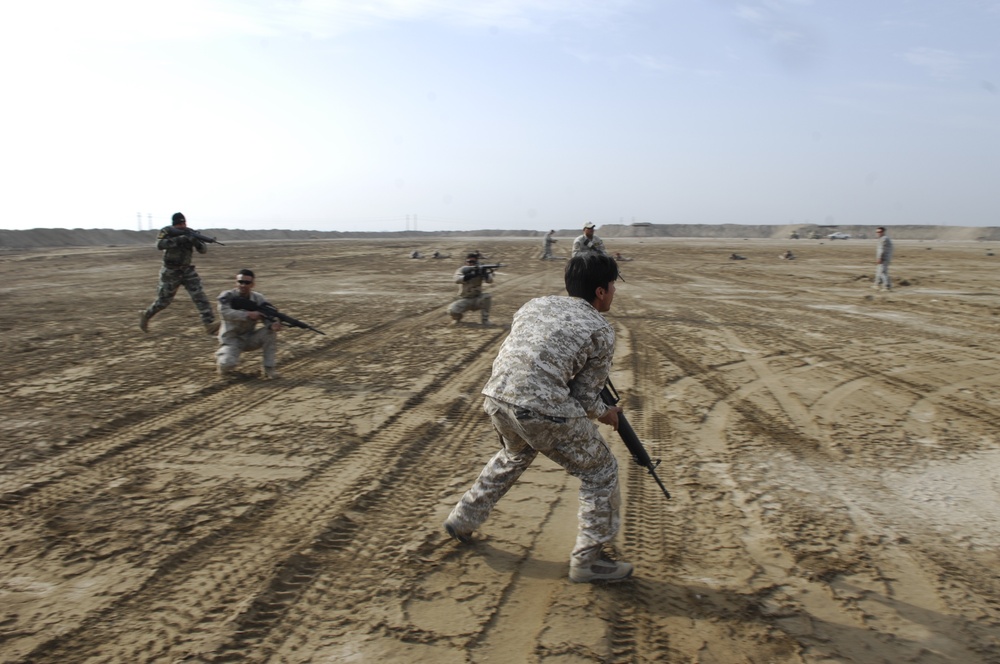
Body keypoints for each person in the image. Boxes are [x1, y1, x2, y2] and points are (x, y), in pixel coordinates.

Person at [443, 253, 632, 583]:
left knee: (514, 454)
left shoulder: (534, 304)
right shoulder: (601, 329)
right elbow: (587, 399)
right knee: (602, 470)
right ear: (601, 291)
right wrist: (607, 413)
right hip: (540, 410)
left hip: (497, 398)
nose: (615, 291)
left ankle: (463, 519)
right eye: (613, 284)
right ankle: (590, 561)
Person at [139, 212, 219, 335]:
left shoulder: (191, 232)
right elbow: (159, 245)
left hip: (187, 271)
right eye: (179, 224)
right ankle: (146, 315)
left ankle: (209, 324)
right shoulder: (166, 231)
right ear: (174, 224)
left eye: (184, 223)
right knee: (163, 301)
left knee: (200, 296)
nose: (182, 226)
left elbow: (203, 250)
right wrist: (181, 239)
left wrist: (196, 242)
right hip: (171, 271)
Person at [215, 269, 281, 379]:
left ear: (253, 284)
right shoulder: (227, 296)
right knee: (227, 364)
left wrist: (273, 324)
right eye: (240, 282)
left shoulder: (258, 298)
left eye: (247, 283)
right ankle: (222, 358)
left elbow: (268, 314)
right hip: (231, 339)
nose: (243, 285)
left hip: (249, 338)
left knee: (270, 333)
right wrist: (247, 314)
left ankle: (269, 368)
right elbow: (225, 313)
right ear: (236, 283)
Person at [448, 252, 494, 326]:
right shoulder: (462, 270)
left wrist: (485, 274)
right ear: (466, 262)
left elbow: (490, 281)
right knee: (452, 310)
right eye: (469, 262)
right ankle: (457, 319)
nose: (471, 263)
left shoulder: (480, 269)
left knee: (487, 297)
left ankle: (485, 320)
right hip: (464, 299)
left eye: (473, 262)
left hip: (477, 299)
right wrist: (468, 276)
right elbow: (456, 280)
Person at [873, 226, 893, 291]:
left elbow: (882, 250)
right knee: (879, 272)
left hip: (884, 258)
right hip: (885, 258)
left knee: (883, 272)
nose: (878, 233)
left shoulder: (884, 239)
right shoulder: (882, 238)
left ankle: (887, 286)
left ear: (883, 232)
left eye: (879, 232)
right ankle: (877, 285)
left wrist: (879, 258)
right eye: (877, 232)